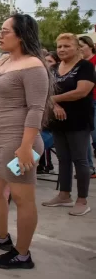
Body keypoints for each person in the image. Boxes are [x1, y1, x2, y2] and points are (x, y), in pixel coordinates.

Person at [0, 13, 51, 270]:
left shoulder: (33, 66)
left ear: (22, 34)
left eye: (5, 31)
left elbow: (37, 109)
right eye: (0, 31)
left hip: (21, 144)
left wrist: (26, 148)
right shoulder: (3, 62)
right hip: (1, 142)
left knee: (22, 196)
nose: (0, 36)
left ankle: (22, 254)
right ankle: (2, 237)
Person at [43, 33, 93, 216]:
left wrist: (54, 99)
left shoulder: (85, 67)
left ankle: (82, 200)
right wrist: (54, 104)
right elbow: (47, 91)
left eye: (67, 46)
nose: (62, 49)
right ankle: (64, 195)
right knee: (63, 159)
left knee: (80, 160)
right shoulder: (54, 68)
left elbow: (81, 91)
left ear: (77, 48)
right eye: (59, 46)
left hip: (79, 119)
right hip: (58, 119)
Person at [78, 36, 96, 177]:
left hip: (94, 100)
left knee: (94, 136)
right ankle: (89, 167)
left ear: (90, 46)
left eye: (82, 45)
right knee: (85, 136)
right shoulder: (79, 63)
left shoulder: (93, 62)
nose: (80, 48)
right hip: (84, 103)